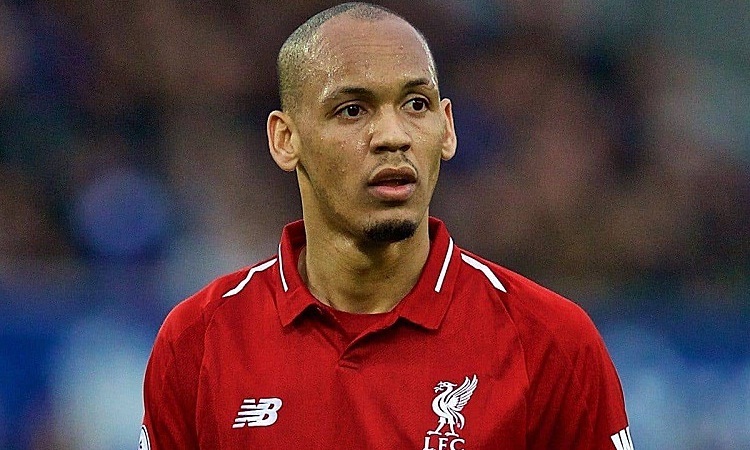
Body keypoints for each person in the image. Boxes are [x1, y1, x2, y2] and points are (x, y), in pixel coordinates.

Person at [140, 3, 633, 449]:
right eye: (352, 110)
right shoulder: (198, 341)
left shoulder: (550, 342)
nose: (393, 136)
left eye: (416, 104)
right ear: (285, 139)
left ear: (447, 128)